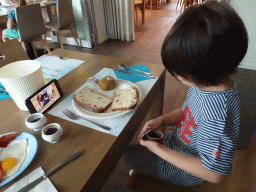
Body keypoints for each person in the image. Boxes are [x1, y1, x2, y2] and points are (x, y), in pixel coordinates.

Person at [123, 1, 248, 186]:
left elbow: (214, 173)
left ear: (205, 69)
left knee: (128, 155)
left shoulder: (218, 116)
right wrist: (162, 120)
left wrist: (159, 150)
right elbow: (187, 112)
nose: (176, 76)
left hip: (185, 170)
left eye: (180, 73)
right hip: (174, 143)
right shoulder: (207, 84)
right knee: (138, 146)